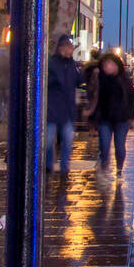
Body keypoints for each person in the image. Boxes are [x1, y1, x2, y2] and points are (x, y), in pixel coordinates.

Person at [86, 52, 134, 176]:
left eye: (109, 64)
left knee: (119, 146)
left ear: (116, 66)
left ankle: (119, 169)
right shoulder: (99, 79)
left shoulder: (125, 80)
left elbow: (132, 99)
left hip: (122, 119)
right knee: (104, 146)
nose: (106, 67)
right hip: (105, 118)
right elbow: (93, 95)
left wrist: (131, 117)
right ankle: (104, 166)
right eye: (104, 64)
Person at [46, 34, 82, 177]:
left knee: (67, 140)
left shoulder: (72, 64)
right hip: (53, 108)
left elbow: (77, 81)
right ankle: (48, 165)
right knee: (49, 140)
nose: (70, 50)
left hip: (67, 109)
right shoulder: (52, 63)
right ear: (61, 48)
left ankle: (64, 167)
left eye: (71, 47)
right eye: (68, 47)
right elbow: (49, 81)